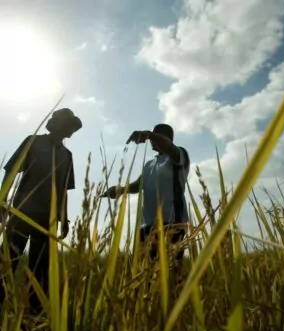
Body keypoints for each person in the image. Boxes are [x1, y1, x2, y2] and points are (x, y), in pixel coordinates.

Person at [0, 108, 82, 316]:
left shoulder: (67, 155)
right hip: (21, 212)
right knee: (7, 262)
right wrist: (2, 202)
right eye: (70, 124)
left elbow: (63, 189)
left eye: (73, 126)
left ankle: (33, 318)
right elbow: (11, 171)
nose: (72, 130)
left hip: (47, 219)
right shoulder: (33, 141)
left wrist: (64, 219)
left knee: (40, 270)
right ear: (58, 124)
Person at [102, 124, 190, 263]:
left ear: (166, 138)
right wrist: (119, 190)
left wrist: (149, 134)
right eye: (151, 137)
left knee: (169, 272)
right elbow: (138, 185)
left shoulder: (178, 155)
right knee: (143, 273)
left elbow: (168, 146)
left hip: (172, 223)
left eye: (156, 136)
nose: (151, 141)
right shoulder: (150, 163)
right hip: (146, 225)